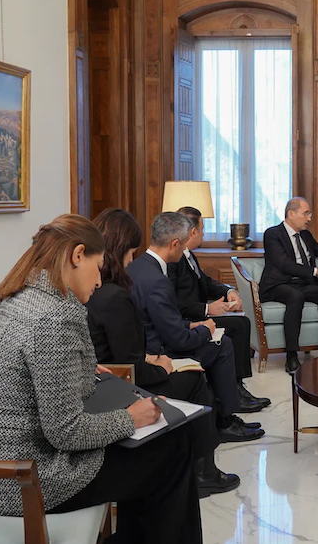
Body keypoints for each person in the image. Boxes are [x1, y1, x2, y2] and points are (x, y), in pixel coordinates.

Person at [0, 214, 203, 544]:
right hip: (25, 480)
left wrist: (78, 370)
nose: (100, 279)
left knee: (155, 443)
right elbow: (66, 433)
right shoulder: (53, 317)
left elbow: (33, 381)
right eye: (98, 266)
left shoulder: (17, 300)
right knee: (172, 444)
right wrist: (130, 418)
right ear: (77, 255)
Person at [86, 208, 241, 498]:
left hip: (116, 371)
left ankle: (215, 437)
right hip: (121, 381)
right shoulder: (118, 293)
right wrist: (161, 365)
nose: (130, 261)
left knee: (212, 354)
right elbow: (131, 362)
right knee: (195, 378)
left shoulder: (106, 287)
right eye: (130, 253)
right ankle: (204, 469)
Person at [127, 212, 264, 442]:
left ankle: (227, 410)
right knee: (221, 345)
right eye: (182, 245)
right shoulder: (158, 280)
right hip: (161, 352)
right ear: (174, 244)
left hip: (151, 343)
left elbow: (162, 320)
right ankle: (225, 422)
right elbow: (179, 340)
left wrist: (192, 324)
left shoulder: (137, 266)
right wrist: (204, 329)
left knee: (225, 335)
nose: (184, 250)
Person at [169, 206, 270, 410]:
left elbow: (206, 282)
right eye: (202, 229)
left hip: (197, 314)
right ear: (192, 232)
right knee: (239, 325)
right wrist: (207, 310)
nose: (204, 233)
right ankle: (235, 392)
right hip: (188, 321)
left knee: (241, 323)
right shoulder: (174, 261)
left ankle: (237, 386)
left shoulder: (189, 256)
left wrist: (228, 290)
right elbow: (175, 303)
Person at [260, 197, 318, 373]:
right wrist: (317, 271)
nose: (309, 218)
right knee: (295, 296)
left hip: (302, 283)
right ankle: (291, 356)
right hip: (278, 285)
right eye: (306, 213)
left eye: (309, 214)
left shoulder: (305, 235)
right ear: (291, 214)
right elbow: (284, 264)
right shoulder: (272, 234)